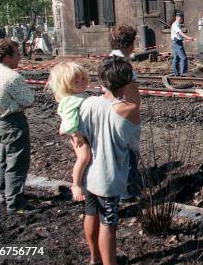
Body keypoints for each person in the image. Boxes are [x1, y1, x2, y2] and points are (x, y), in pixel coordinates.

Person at [79, 56, 141, 265]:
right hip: (110, 177)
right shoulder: (128, 110)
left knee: (90, 213)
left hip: (90, 173)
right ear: (126, 81)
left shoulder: (89, 103)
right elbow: (133, 145)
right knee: (109, 224)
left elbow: (82, 135)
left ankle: (94, 258)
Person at [0, 39, 38, 215]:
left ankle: (3, 193)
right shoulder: (12, 77)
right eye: (17, 54)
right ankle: (16, 203)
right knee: (17, 163)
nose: (20, 57)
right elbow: (29, 101)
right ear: (6, 56)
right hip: (12, 123)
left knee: (3, 160)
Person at [47, 62, 91, 201]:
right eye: (76, 81)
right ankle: (76, 185)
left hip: (82, 132)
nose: (81, 83)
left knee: (87, 158)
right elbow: (69, 119)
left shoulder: (76, 96)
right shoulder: (72, 100)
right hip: (78, 134)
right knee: (83, 157)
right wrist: (75, 134)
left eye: (83, 79)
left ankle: (83, 182)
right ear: (66, 85)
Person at [108, 25, 141, 200]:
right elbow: (132, 99)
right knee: (128, 158)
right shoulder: (124, 66)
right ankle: (127, 194)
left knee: (118, 157)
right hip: (125, 119)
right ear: (129, 44)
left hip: (114, 115)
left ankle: (122, 192)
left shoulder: (109, 61)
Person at [170, 12, 195, 76]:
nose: (181, 20)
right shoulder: (175, 25)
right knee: (183, 58)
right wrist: (188, 37)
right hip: (177, 43)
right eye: (180, 19)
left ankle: (176, 73)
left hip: (177, 42)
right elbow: (180, 33)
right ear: (177, 18)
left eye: (182, 19)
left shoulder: (177, 24)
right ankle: (183, 73)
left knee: (176, 58)